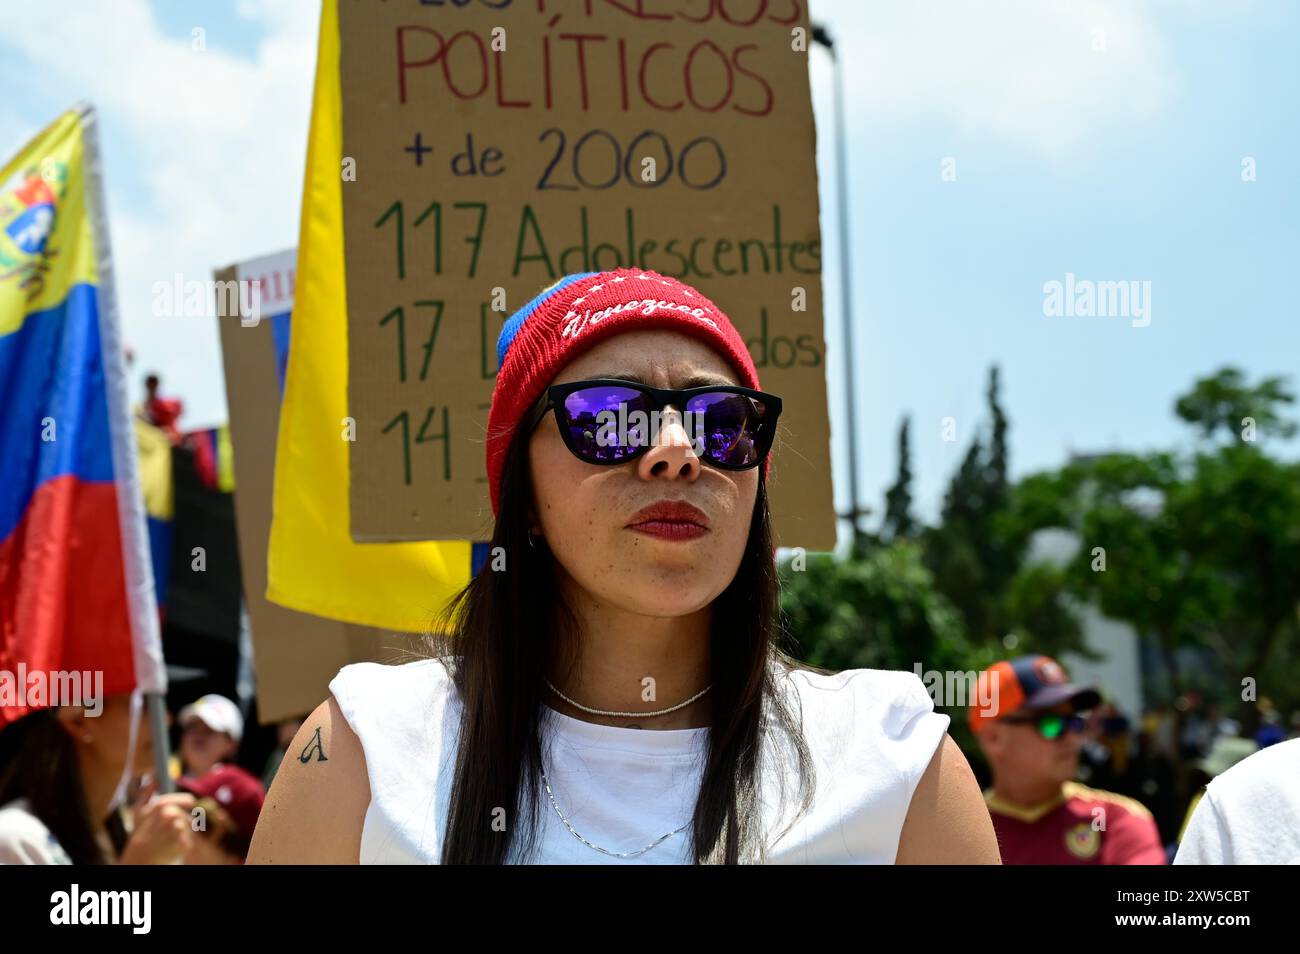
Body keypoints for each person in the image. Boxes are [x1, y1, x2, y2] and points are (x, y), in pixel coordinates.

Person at [249, 267, 1000, 865]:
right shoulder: (364, 748)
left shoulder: (899, 762)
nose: (676, 449)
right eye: (610, 419)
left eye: (721, 423)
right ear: (525, 496)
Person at [971, 654, 1165, 865]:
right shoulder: (957, 832)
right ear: (994, 739)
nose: (1072, 737)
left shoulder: (1115, 819)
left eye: (1074, 721)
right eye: (1050, 723)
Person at [0, 694, 195, 864]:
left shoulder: (116, 836)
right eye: (142, 704)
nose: (165, 719)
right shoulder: (17, 840)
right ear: (80, 721)